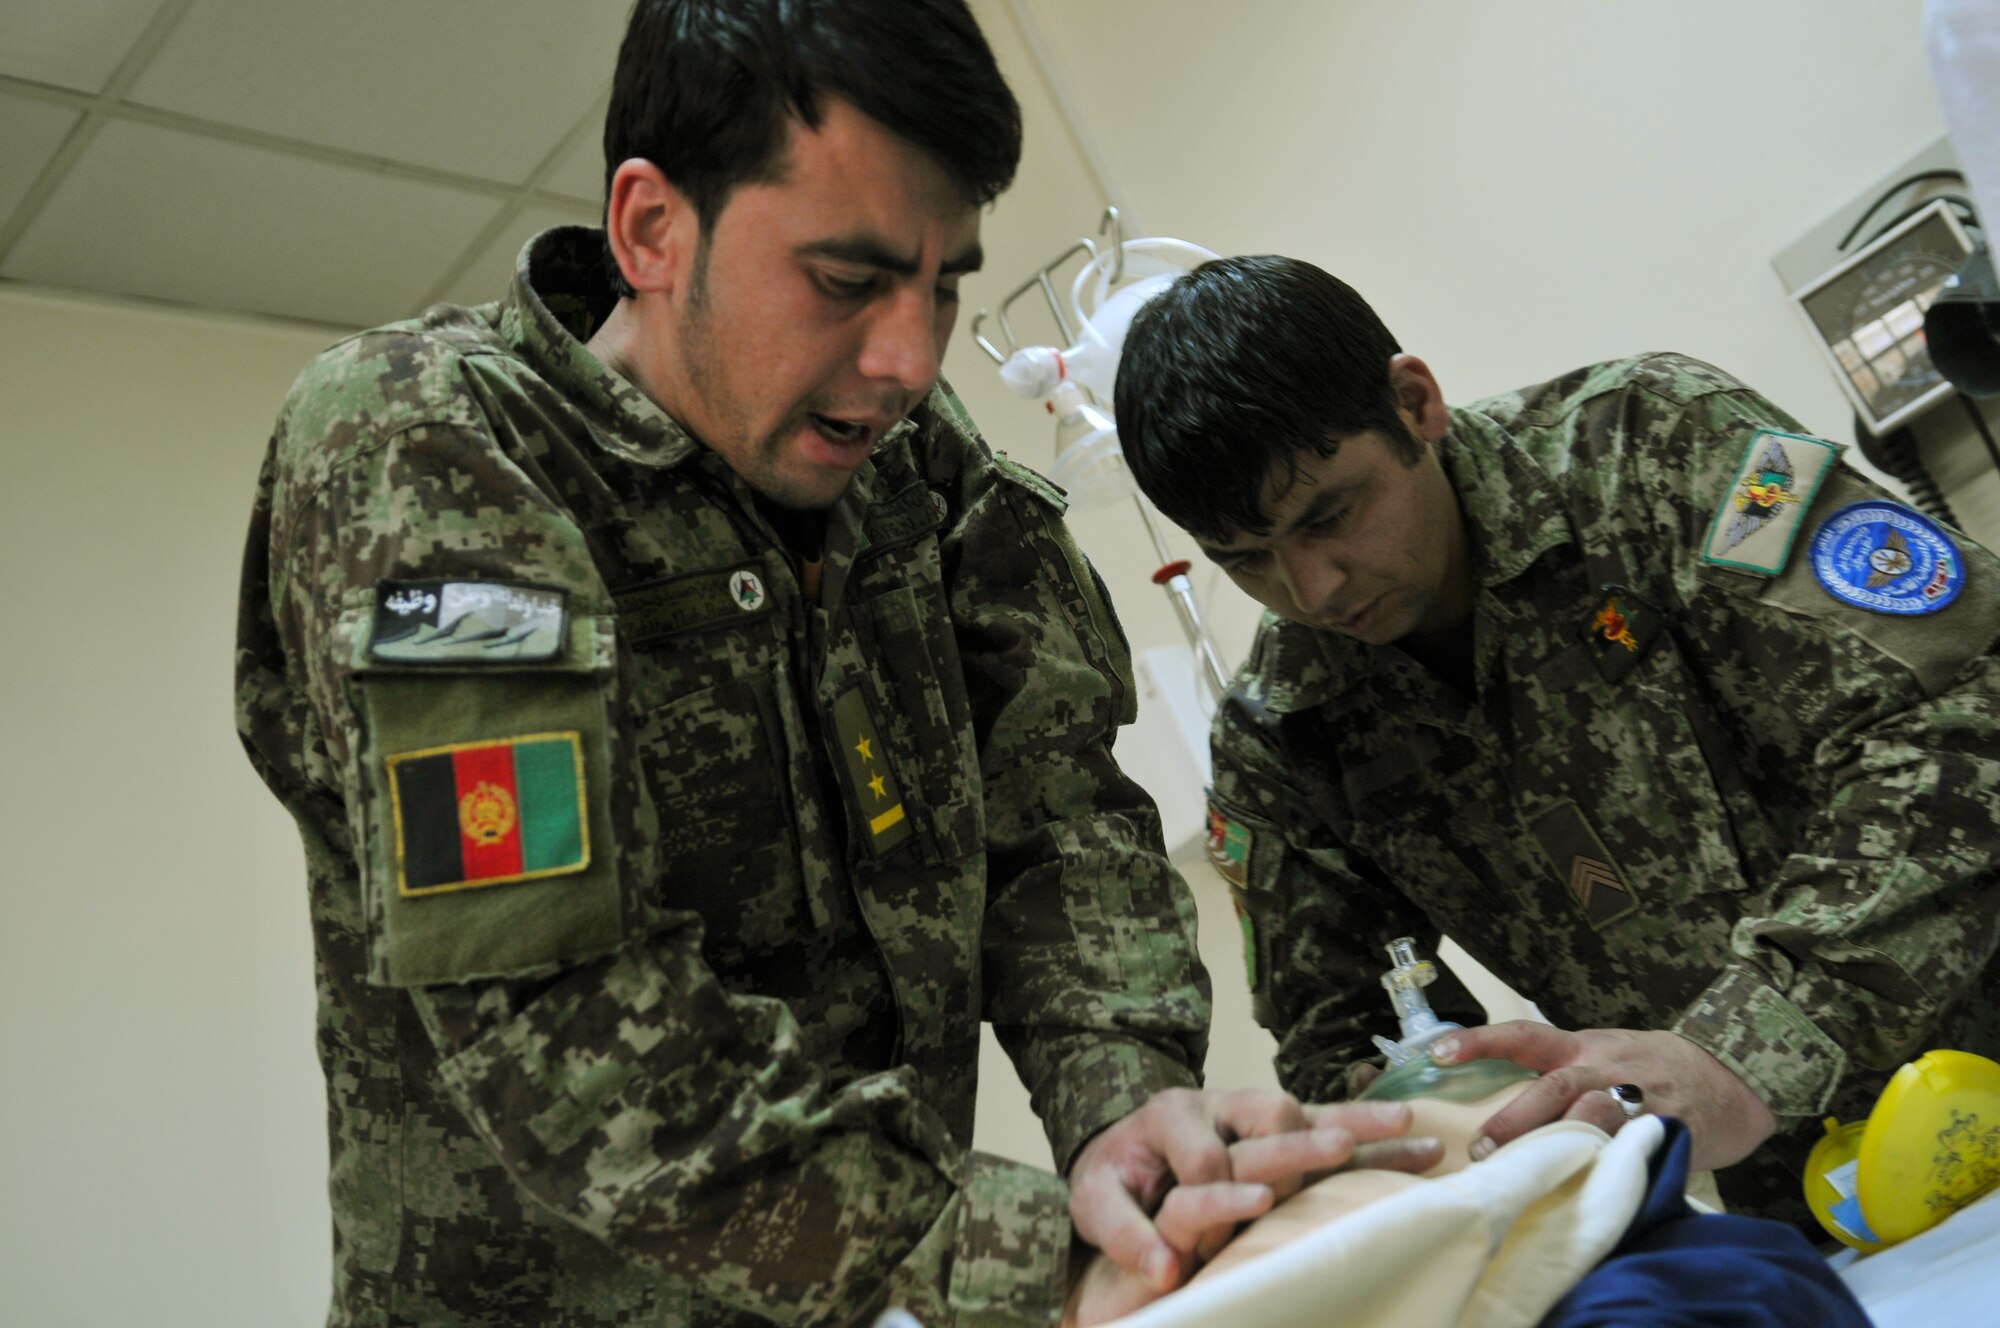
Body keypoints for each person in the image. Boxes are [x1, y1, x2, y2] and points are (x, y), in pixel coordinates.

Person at [234, 9, 1427, 1326]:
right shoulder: (426, 440)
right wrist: (1044, 1266)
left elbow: (1059, 812)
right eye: (849, 282)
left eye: (944, 283)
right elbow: (566, 1025)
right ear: (649, 231)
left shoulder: (913, 459)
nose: (910, 359)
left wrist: (1126, 1112)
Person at [1111, 253, 2000, 1229]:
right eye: (1246, 559)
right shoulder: (1286, 737)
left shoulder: (1651, 448)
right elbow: (1342, 1050)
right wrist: (1482, 1140)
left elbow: (1957, 724)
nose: (1310, 588)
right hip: (1794, 1209)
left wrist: (1744, 1051)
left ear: (1413, 403)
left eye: (1329, 514)